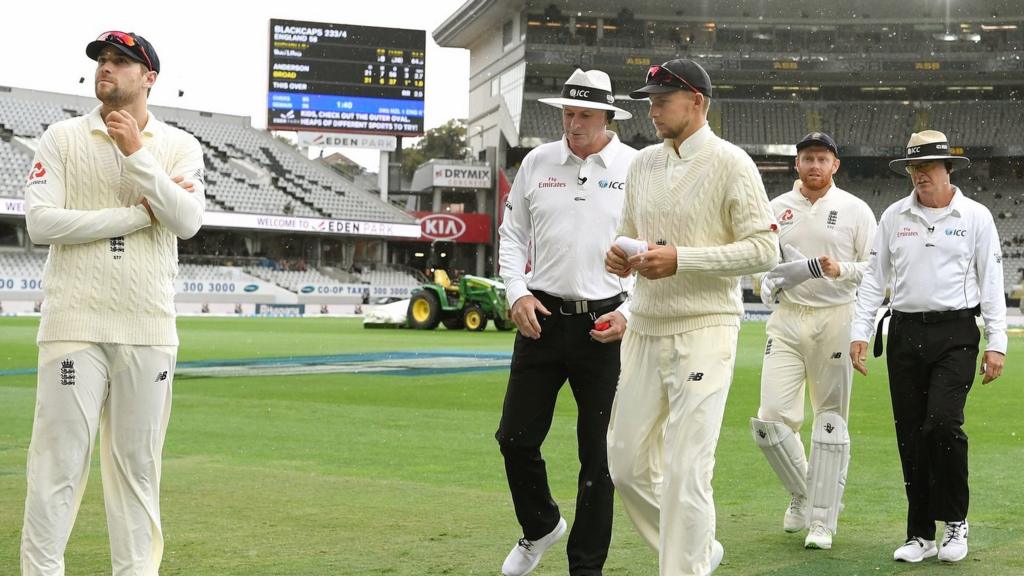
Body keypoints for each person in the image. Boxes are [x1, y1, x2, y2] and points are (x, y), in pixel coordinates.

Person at [21, 31, 205, 575]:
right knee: (56, 468)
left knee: (138, 474)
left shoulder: (179, 146)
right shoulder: (61, 138)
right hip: (73, 323)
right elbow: (40, 223)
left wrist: (136, 155)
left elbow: (189, 221)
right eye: (102, 60)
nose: (107, 68)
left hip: (148, 328)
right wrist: (137, 216)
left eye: (121, 61)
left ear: (148, 77)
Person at [604, 59, 778, 576]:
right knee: (626, 466)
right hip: (645, 325)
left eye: (662, 101)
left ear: (696, 103)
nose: (652, 111)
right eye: (650, 102)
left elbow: (765, 250)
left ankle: (687, 567)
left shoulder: (732, 163)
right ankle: (698, 548)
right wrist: (616, 257)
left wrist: (683, 258)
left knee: (685, 470)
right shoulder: (641, 166)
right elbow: (627, 233)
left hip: (706, 326)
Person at [496, 68, 637, 576]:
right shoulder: (537, 161)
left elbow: (652, 247)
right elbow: (511, 236)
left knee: (598, 459)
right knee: (514, 438)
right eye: (568, 113)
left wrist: (627, 311)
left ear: (607, 117)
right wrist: (516, 293)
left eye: (584, 115)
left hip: (605, 325)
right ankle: (540, 527)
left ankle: (586, 568)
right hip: (541, 317)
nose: (574, 124)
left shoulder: (636, 167)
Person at [850, 130, 1006, 564]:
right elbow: (872, 281)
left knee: (941, 424)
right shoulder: (893, 216)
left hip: (956, 334)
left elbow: (992, 283)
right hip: (902, 334)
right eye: (914, 168)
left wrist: (998, 343)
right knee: (911, 436)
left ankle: (956, 521)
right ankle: (920, 534)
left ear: (948, 169)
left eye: (928, 167)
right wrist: (859, 332)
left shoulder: (976, 217)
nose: (920, 175)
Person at [750, 132, 877, 550]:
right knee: (770, 420)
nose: (815, 166)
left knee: (830, 422)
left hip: (836, 316)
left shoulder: (855, 209)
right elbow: (762, 264)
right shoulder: (776, 210)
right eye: (808, 158)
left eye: (822, 159)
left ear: (835, 165)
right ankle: (806, 493)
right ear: (797, 164)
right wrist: (765, 288)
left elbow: (876, 271)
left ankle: (822, 520)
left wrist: (841, 270)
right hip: (788, 318)